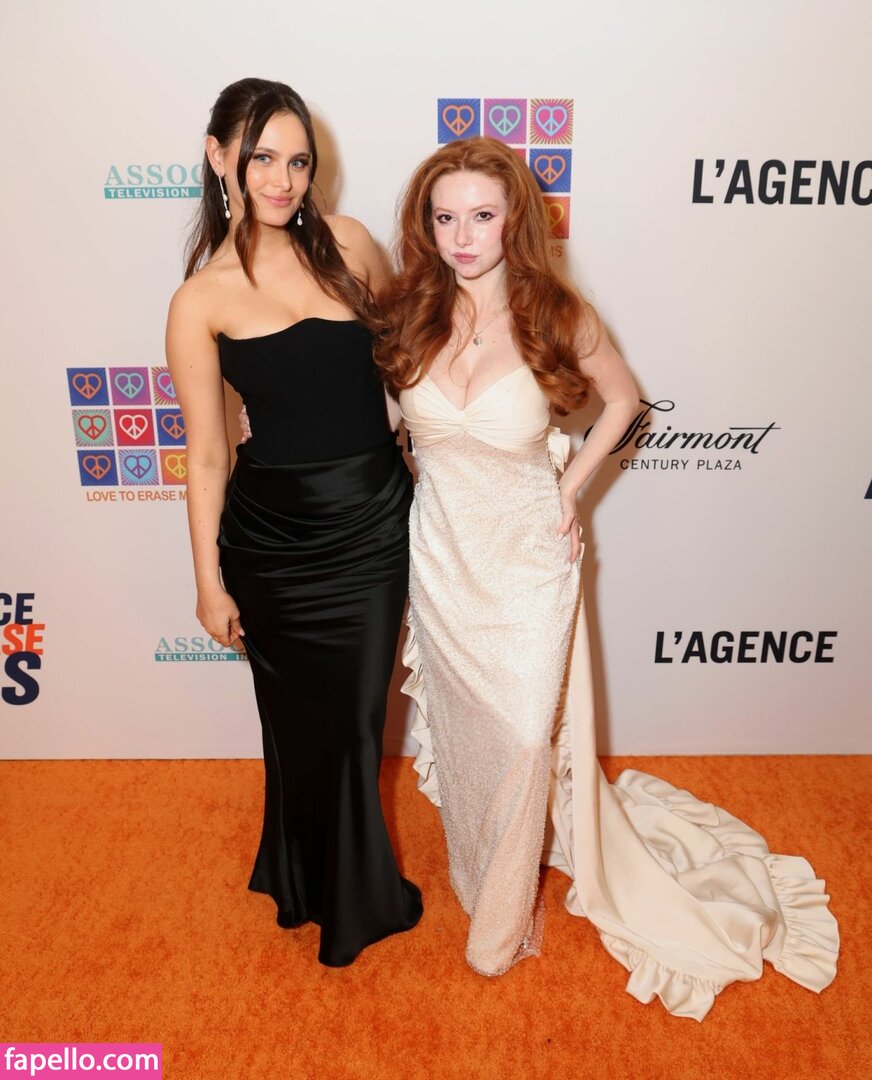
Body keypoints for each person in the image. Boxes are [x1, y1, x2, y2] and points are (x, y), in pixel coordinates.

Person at [373, 137, 838, 1018]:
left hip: (526, 560)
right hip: (440, 558)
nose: (462, 237)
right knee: (472, 738)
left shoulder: (556, 313)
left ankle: (498, 926)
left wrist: (570, 487)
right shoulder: (407, 316)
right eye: (444, 218)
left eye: (481, 216)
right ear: (425, 226)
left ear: (514, 220)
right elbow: (387, 425)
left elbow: (625, 402)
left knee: (523, 738)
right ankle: (480, 868)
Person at [165, 77, 422, 967]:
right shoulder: (199, 301)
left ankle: (349, 894)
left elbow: (408, 364)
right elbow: (207, 456)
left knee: (354, 723)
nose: (281, 180)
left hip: (371, 525)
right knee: (296, 725)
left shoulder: (350, 244)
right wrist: (208, 583)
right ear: (219, 158)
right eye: (261, 158)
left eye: (297, 160)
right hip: (272, 542)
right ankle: (302, 875)